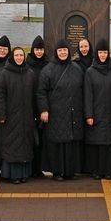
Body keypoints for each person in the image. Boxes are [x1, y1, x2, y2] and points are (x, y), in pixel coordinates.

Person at [37, 39, 86, 180]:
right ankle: (58, 171)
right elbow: (41, 92)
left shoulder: (76, 68)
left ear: (68, 51)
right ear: (56, 52)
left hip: (73, 111)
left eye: (65, 50)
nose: (63, 52)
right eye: (60, 50)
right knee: (58, 143)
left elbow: (82, 89)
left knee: (71, 142)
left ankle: (70, 171)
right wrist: (44, 110)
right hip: (56, 112)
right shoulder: (48, 69)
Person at [0, 46, 38, 184]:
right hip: (10, 116)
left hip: (26, 116)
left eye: (21, 55)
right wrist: (1, 115)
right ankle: (12, 174)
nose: (19, 58)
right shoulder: (5, 73)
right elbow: (0, 95)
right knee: (12, 144)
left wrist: (36, 113)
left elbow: (34, 95)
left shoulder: (30, 73)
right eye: (17, 55)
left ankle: (24, 173)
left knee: (25, 144)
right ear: (12, 57)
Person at [84, 39, 111, 179]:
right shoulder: (90, 72)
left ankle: (109, 171)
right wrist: (89, 115)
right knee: (96, 144)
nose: (103, 55)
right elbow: (87, 95)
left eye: (105, 52)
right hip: (96, 112)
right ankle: (96, 171)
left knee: (109, 144)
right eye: (100, 52)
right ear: (96, 54)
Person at [26, 35, 49, 177]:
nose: (39, 52)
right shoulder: (27, 64)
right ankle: (30, 167)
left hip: (43, 108)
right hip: (29, 106)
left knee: (41, 139)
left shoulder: (47, 65)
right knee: (29, 138)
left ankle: (39, 168)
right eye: (37, 49)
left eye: (41, 49)